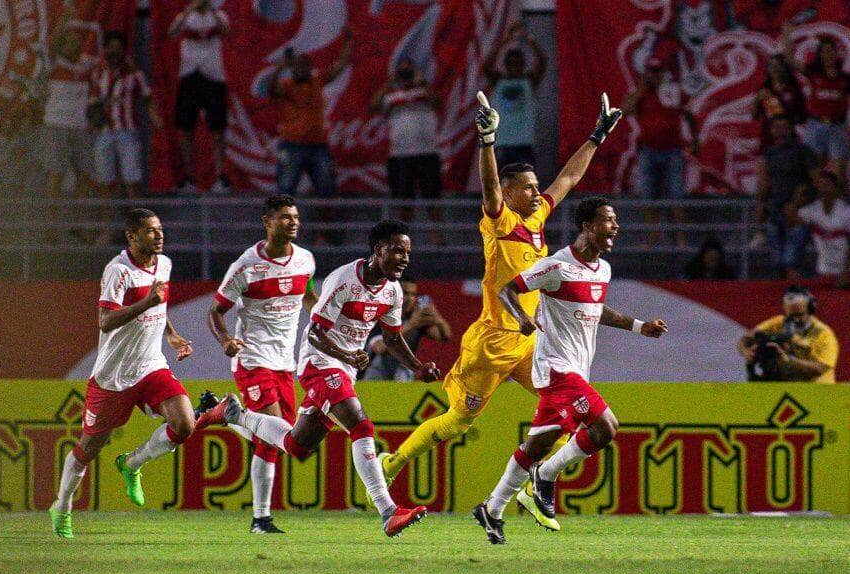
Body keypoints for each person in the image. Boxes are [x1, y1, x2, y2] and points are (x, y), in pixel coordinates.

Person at [377, 91, 623, 491]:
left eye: (534, 186)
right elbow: (490, 186)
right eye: (527, 188)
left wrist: (597, 136)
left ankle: (534, 484)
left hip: (531, 345)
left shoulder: (538, 216)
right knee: (459, 420)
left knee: (568, 417)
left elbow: (569, 178)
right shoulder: (501, 221)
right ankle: (393, 462)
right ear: (510, 193)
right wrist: (487, 142)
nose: (535, 192)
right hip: (492, 342)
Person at [224, 220, 441, 537]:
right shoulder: (343, 280)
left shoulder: (392, 291)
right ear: (378, 250)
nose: (404, 258)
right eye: (397, 250)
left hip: (344, 368)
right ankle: (388, 511)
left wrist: (418, 366)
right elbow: (314, 334)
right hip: (319, 363)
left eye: (407, 252)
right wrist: (348, 355)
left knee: (296, 446)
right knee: (361, 426)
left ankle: (238, 416)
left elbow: (392, 338)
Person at [474, 198, 668, 543]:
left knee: (537, 445)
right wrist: (522, 318)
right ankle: (545, 478)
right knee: (606, 426)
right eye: (609, 221)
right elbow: (507, 289)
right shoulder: (556, 266)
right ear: (587, 226)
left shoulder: (603, 269)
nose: (616, 227)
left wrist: (639, 326)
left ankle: (492, 507)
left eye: (616, 221)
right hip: (556, 369)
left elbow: (597, 309)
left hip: (577, 369)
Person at [48, 209, 196, 539]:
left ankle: (132, 463)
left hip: (151, 366)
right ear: (132, 237)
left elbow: (160, 304)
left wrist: (171, 335)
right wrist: (146, 305)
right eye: (150, 231)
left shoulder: (165, 264)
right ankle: (63, 507)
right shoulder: (118, 272)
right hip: (114, 375)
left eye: (160, 229)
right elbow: (105, 320)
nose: (159, 235)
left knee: (185, 423)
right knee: (89, 448)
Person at [198, 194, 317, 533]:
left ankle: (261, 519)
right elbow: (215, 311)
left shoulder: (306, 260)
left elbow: (307, 294)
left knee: (278, 441)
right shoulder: (245, 266)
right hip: (252, 359)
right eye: (284, 217)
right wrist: (225, 341)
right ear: (267, 222)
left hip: (285, 362)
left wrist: (322, 317)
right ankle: (260, 518)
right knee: (279, 432)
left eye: (295, 216)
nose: (293, 222)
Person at [622, 57, 697, 247]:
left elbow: (689, 114)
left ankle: (682, 240)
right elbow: (625, 111)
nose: (654, 76)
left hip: (673, 150)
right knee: (649, 197)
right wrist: (640, 90)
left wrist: (695, 139)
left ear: (663, 74)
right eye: (651, 72)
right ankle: (652, 239)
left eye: (657, 72)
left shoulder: (673, 92)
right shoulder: (641, 94)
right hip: (648, 150)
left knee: (676, 196)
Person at [269, 30, 352, 196]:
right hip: (292, 144)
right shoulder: (287, 84)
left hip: (317, 145)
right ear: (292, 67)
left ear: (310, 66)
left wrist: (348, 43)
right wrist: (279, 68)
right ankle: (282, 223)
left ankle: (325, 222)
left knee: (327, 188)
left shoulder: (316, 80)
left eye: (305, 64)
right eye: (298, 64)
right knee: (285, 189)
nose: (302, 67)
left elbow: (339, 67)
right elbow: (272, 89)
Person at [89, 31, 163, 198]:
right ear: (105, 50)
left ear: (124, 51)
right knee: (105, 182)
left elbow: (147, 97)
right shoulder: (98, 73)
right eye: (111, 48)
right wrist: (92, 123)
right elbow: (93, 101)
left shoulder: (135, 74)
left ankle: (137, 222)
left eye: (118, 48)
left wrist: (155, 117)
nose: (115, 52)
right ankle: (108, 224)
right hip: (103, 132)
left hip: (127, 132)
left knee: (132, 180)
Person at [169, 0, 231, 195]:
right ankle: (188, 178)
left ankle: (221, 177)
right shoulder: (185, 16)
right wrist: (188, 11)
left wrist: (212, 11)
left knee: (217, 130)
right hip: (189, 75)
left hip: (213, 76)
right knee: (186, 130)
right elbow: (171, 34)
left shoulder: (218, 15)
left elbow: (227, 32)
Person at [42, 3, 99, 198]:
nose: (74, 45)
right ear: (62, 46)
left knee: (85, 174)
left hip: (80, 127)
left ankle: (79, 225)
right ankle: (52, 226)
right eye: (69, 42)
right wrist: (65, 18)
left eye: (77, 42)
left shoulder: (87, 65)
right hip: (57, 124)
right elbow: (52, 43)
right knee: (57, 175)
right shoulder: (54, 64)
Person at [754, 116, 818, 277]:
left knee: (791, 262)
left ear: (791, 130)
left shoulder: (803, 151)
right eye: (776, 128)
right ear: (771, 131)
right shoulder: (769, 154)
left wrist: (798, 203)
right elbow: (765, 184)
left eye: (784, 128)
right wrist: (761, 205)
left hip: (796, 216)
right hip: (774, 214)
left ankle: (796, 301)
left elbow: (817, 182)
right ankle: (778, 302)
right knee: (777, 264)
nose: (780, 132)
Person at [372, 58, 441, 201]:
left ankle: (434, 224)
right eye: (402, 71)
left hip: (427, 152)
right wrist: (390, 83)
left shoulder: (424, 93)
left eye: (408, 70)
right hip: (400, 155)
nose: (406, 74)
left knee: (433, 202)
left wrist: (422, 82)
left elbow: (438, 103)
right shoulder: (391, 98)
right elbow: (374, 106)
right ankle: (403, 224)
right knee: (403, 202)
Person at [737, 285, 838, 383]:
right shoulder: (778, 323)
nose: (795, 319)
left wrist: (788, 360)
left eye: (800, 315)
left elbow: (821, 368)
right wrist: (747, 352)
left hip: (817, 390)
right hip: (786, 387)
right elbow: (745, 339)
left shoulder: (823, 333)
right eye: (791, 315)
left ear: (810, 309)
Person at [482, 22, 546, 167]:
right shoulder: (499, 80)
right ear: (505, 65)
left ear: (523, 64)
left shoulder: (528, 81)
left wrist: (529, 40)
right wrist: (505, 41)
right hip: (503, 143)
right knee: (502, 185)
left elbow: (542, 62)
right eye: (511, 63)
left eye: (518, 64)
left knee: (526, 184)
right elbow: (486, 65)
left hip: (524, 142)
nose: (515, 67)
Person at [784, 29, 850, 170]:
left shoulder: (844, 78)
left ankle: (839, 192)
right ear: (820, 54)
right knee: (814, 169)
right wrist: (787, 32)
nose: (828, 54)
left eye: (831, 51)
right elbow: (789, 60)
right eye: (824, 51)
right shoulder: (814, 72)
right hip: (816, 125)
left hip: (837, 127)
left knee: (839, 171)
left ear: (836, 53)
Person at [363, 279, 451, 381]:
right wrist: (411, 324)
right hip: (377, 373)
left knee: (405, 372)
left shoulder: (416, 318)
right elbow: (380, 348)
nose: (409, 298)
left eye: (413, 294)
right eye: (405, 293)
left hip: (403, 374)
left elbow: (444, 336)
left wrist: (436, 317)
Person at [789, 170, 850, 287]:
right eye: (821, 186)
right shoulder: (813, 209)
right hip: (823, 271)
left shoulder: (846, 211)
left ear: (836, 189)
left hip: (844, 272)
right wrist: (797, 198)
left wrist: (847, 272)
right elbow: (791, 220)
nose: (824, 189)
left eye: (827, 185)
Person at [753, 54, 806, 149]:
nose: (774, 69)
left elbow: (800, 117)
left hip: (788, 138)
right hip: (768, 137)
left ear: (784, 67)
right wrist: (757, 101)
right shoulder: (765, 88)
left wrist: (773, 101)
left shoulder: (793, 89)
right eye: (771, 66)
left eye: (778, 65)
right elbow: (754, 116)